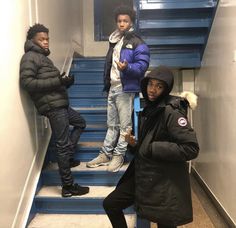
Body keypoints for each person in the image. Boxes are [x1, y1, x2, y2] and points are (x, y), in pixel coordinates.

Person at [102, 66, 200, 228]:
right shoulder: (148, 109)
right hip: (144, 175)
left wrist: (154, 148)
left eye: (159, 86)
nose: (153, 90)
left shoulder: (172, 112)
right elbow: (145, 144)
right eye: (150, 84)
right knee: (111, 204)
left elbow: (190, 148)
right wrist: (134, 144)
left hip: (164, 182)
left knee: (165, 222)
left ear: (166, 89)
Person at [20, 23, 89, 197]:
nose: (45, 42)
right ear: (32, 40)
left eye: (47, 39)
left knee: (80, 123)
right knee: (62, 144)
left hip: (60, 104)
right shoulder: (30, 57)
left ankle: (66, 158)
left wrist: (65, 81)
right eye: (41, 39)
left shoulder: (44, 58)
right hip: (53, 107)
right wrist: (58, 82)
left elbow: (51, 81)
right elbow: (27, 83)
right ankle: (68, 186)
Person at [86, 5, 150, 172]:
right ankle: (105, 154)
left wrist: (127, 68)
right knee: (112, 125)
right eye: (120, 21)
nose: (122, 24)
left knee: (125, 126)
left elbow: (142, 66)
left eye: (125, 21)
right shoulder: (114, 41)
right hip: (113, 88)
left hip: (125, 89)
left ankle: (118, 155)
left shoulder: (137, 42)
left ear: (131, 22)